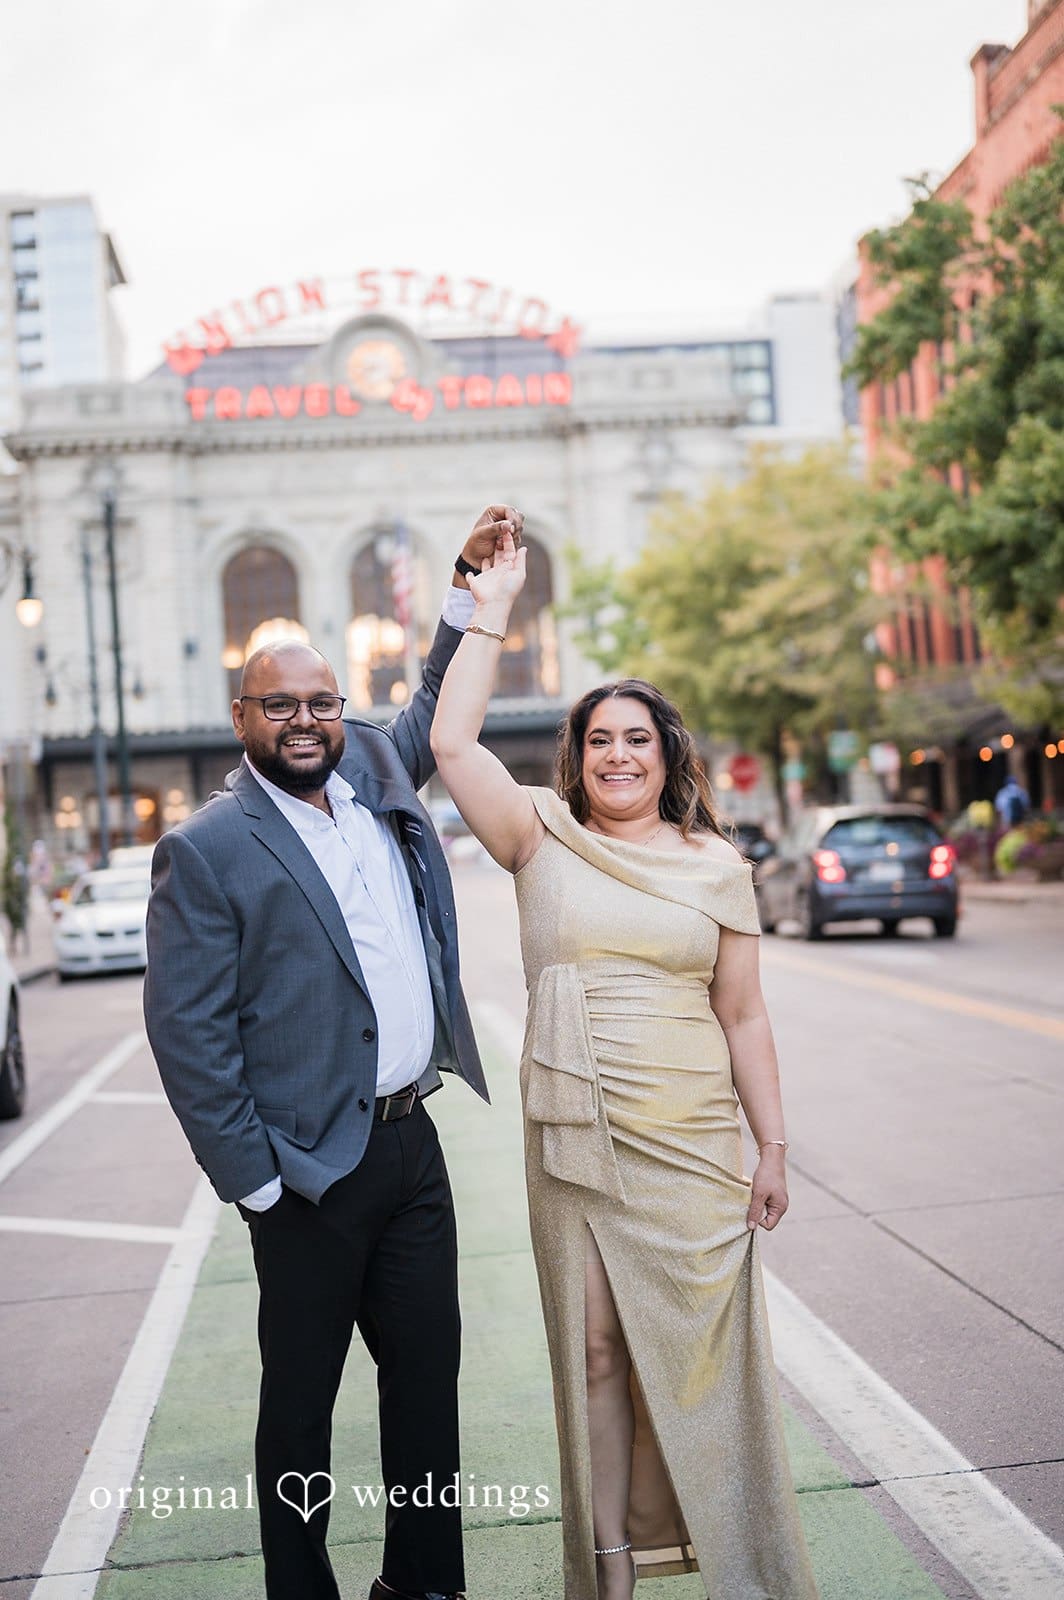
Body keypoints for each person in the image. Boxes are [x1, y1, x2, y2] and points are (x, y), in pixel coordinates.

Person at [144, 505, 524, 1600]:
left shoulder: (376, 772)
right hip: (305, 1170)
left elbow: (433, 700)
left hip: (410, 1146)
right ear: (242, 716)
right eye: (280, 704)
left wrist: (463, 590)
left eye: (321, 701)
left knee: (427, 1384)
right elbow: (188, 1034)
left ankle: (423, 1584)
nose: (305, 721)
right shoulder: (207, 848)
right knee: (301, 1408)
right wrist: (258, 1183)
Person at [430, 533, 818, 1600]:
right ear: (578, 755)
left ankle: (746, 1564)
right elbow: (452, 741)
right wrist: (492, 606)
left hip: (691, 1139)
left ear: (666, 755)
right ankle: (610, 1568)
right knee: (596, 1350)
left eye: (635, 739)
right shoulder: (538, 836)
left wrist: (772, 1148)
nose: (616, 756)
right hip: (575, 1133)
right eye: (597, 739)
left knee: (701, 1359)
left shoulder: (717, 866)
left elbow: (743, 1015)